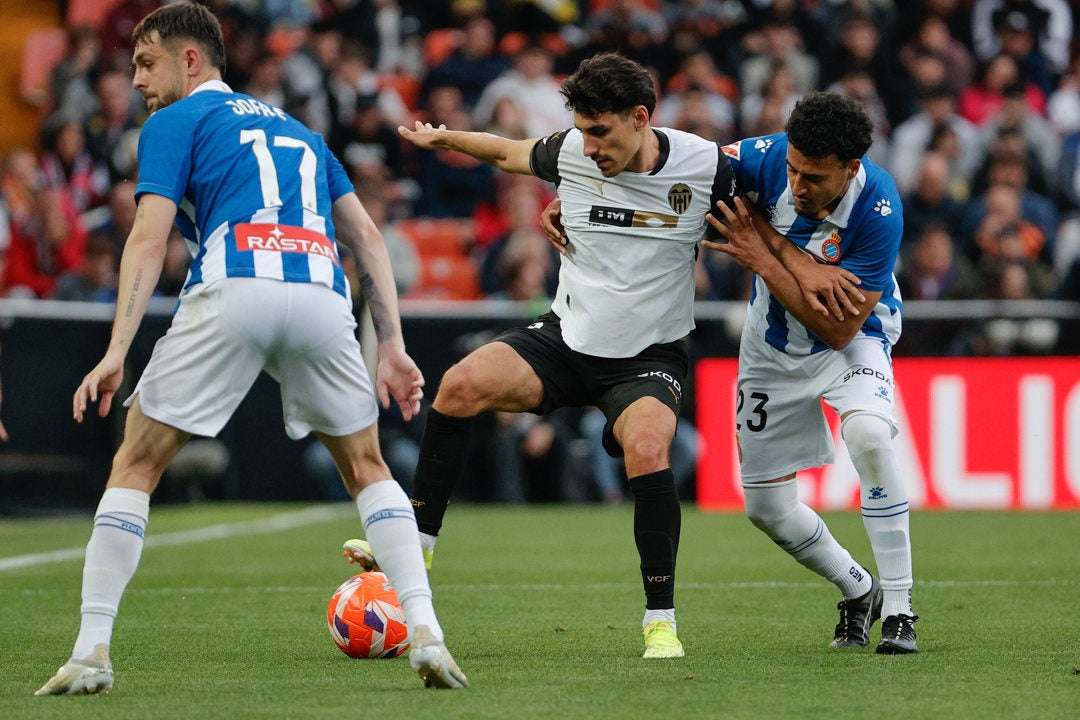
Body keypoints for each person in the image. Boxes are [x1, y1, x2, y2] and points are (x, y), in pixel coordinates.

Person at [35, 2, 466, 696]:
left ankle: (91, 651)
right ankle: (427, 633)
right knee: (367, 464)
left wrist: (117, 348)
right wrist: (393, 345)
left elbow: (149, 236)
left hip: (237, 279)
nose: (139, 79)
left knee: (137, 460)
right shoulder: (303, 133)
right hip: (322, 292)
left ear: (191, 60)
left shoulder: (173, 122)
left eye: (147, 62)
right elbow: (367, 239)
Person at [362, 50, 751, 660]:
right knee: (459, 385)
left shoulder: (706, 167)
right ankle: (420, 543)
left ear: (641, 117)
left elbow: (778, 174)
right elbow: (505, 151)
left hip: (647, 355)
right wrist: (446, 139)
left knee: (649, 449)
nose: (588, 145)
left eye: (600, 131)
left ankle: (661, 622)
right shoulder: (572, 150)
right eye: (582, 130)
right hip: (566, 339)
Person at [701, 92, 919, 654]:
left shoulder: (880, 208)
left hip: (853, 339)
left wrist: (761, 255)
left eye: (814, 177)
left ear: (851, 169)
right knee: (765, 509)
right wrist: (577, 197)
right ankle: (858, 588)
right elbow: (664, 163)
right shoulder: (761, 157)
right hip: (770, 349)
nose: (797, 185)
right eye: (793, 169)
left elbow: (839, 329)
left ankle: (899, 605)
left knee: (869, 434)